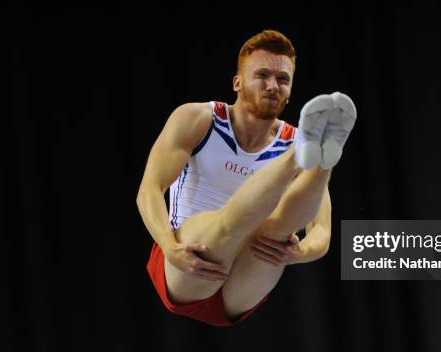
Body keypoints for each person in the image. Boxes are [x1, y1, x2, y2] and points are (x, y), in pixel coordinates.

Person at [136, 30, 357, 327]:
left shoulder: (292, 136)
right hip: (186, 262)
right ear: (237, 83)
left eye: (283, 80)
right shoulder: (198, 119)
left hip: (243, 282)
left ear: (290, 91)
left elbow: (322, 234)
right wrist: (169, 247)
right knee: (230, 222)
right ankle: (296, 160)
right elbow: (149, 189)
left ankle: (322, 164)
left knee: (277, 231)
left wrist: (299, 252)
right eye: (262, 75)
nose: (272, 86)